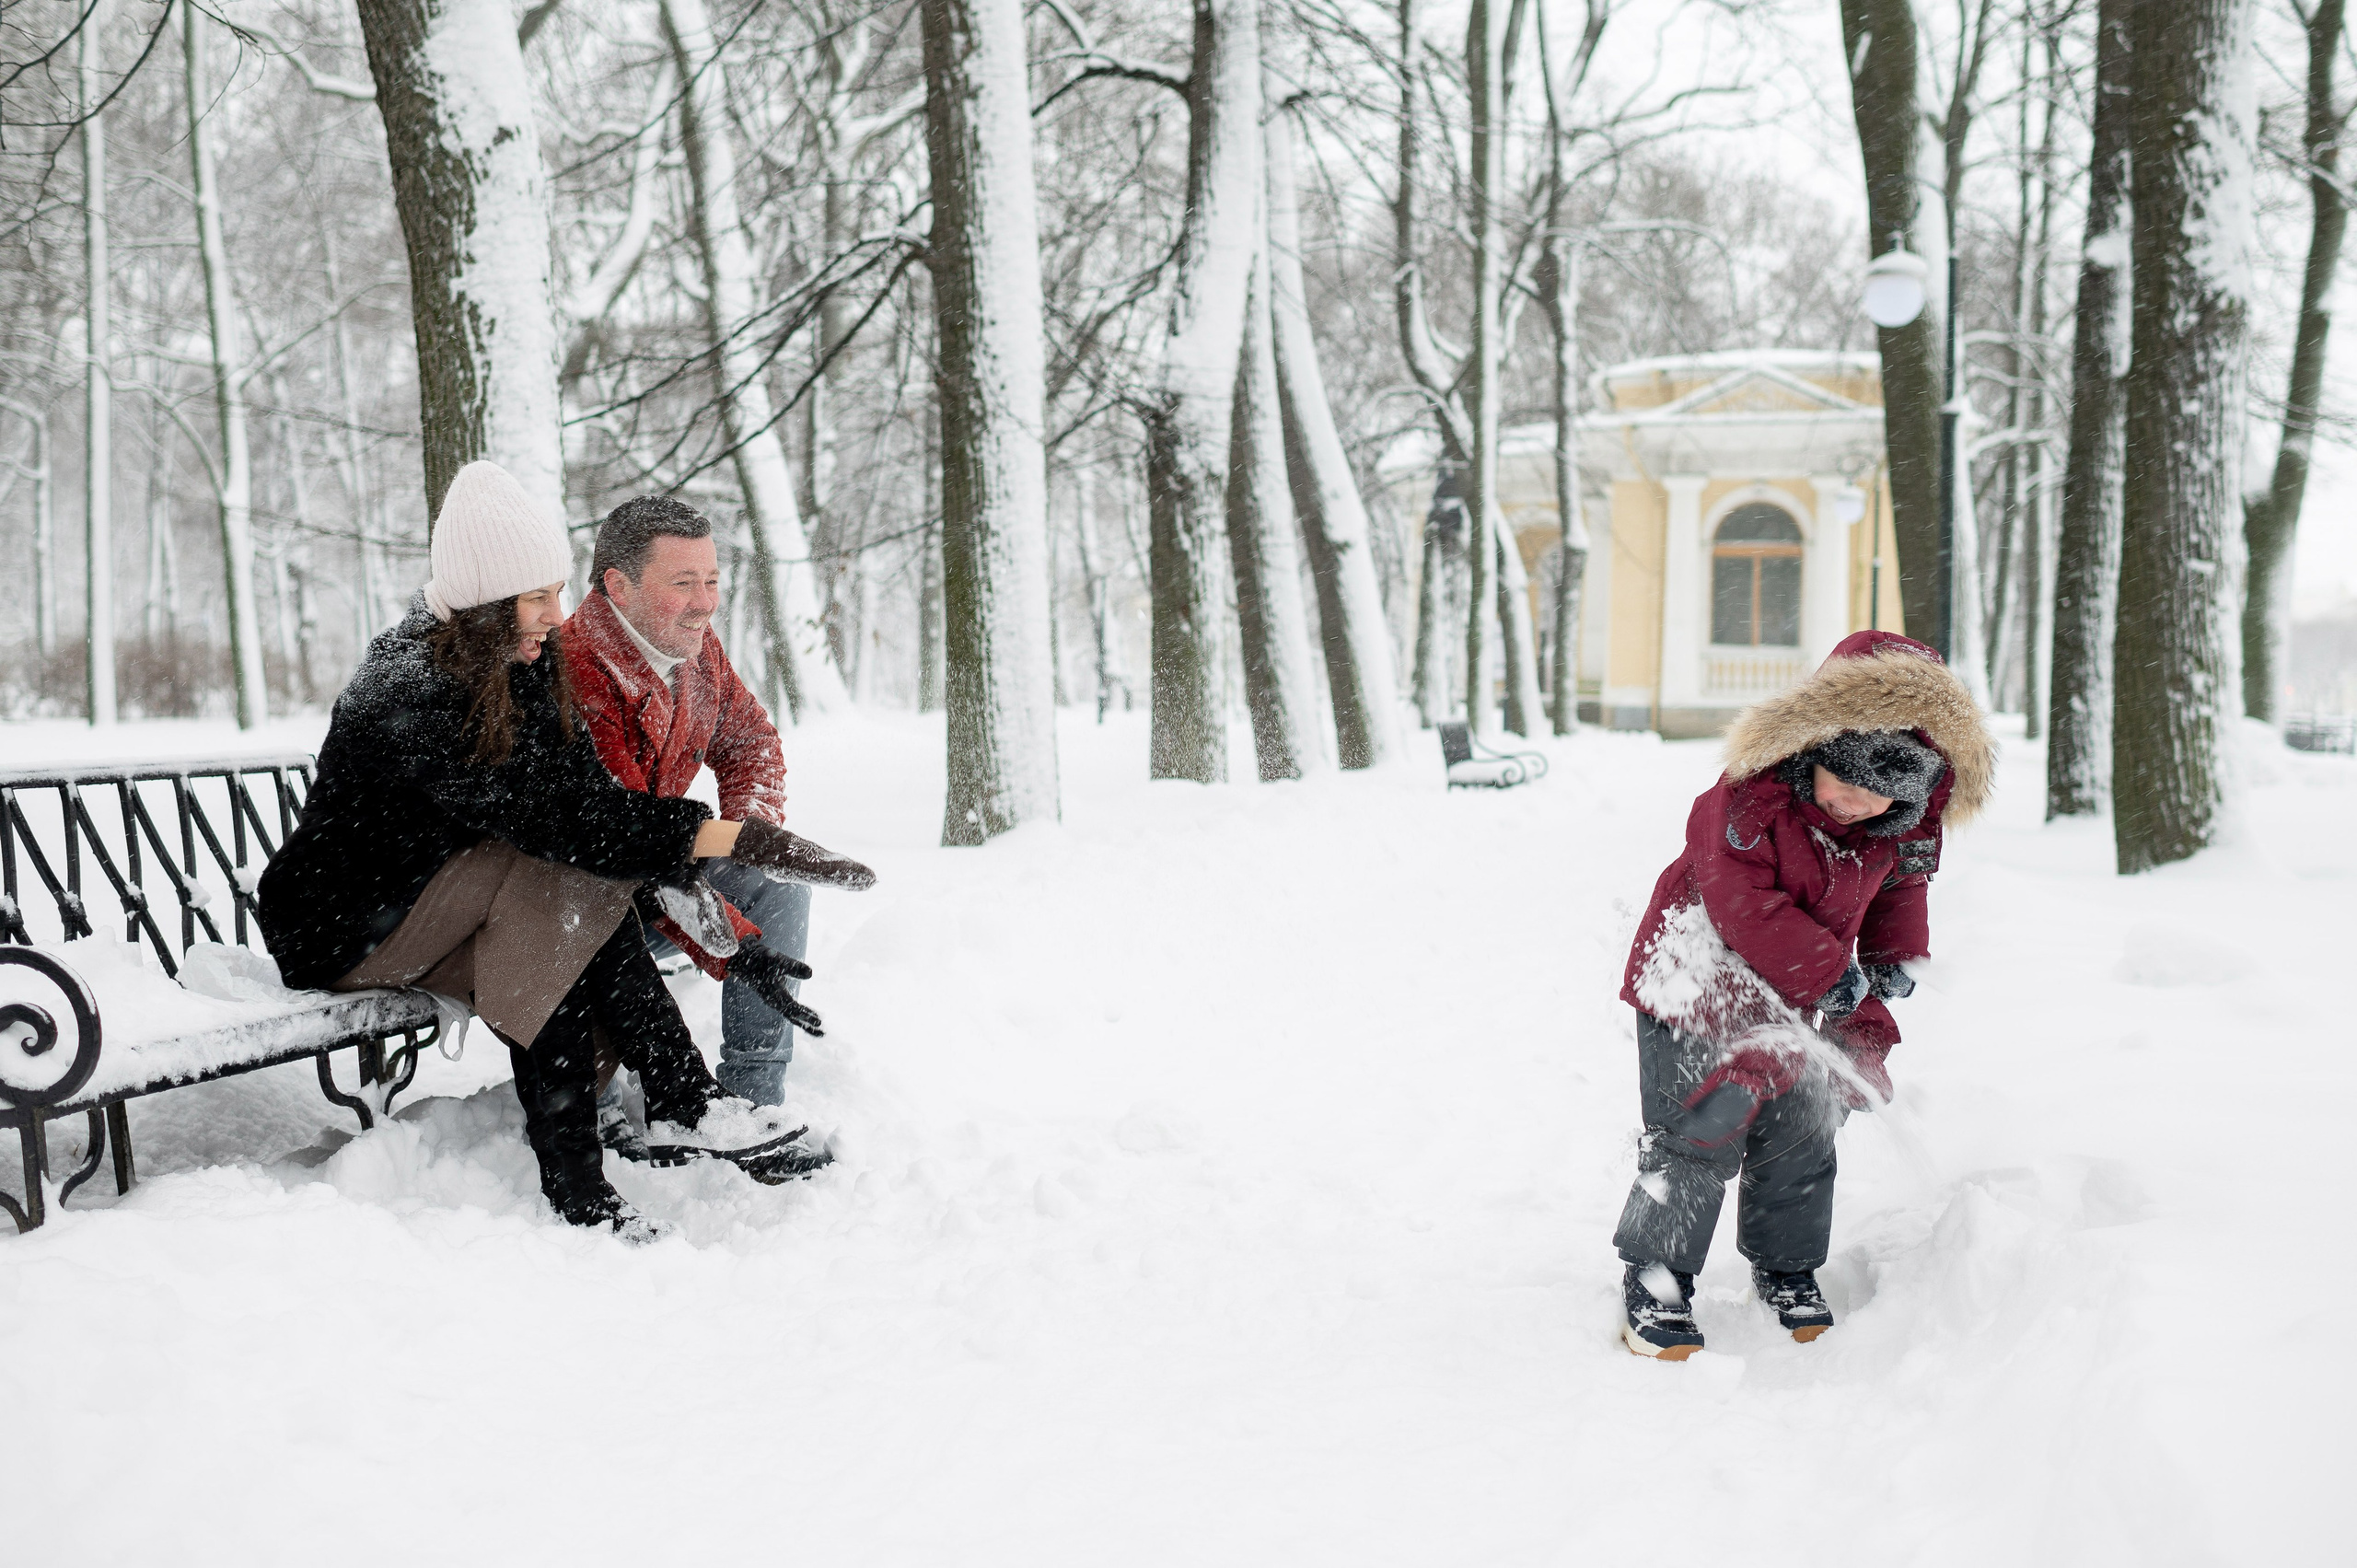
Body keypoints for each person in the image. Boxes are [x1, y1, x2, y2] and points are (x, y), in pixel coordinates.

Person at [257, 461, 845, 1241]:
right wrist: (721, 841)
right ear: (484, 599)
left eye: (556, 591)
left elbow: (589, 802)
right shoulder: (411, 687)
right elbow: (561, 824)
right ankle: (636, 1136)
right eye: (538, 597)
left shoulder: (519, 664)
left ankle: (623, 1149)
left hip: (443, 904)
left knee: (561, 929)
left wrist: (733, 933)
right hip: (345, 922)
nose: (555, 614)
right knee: (557, 878)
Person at [1611, 630, 1992, 1358]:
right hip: (1700, 981)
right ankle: (1656, 1274)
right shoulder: (1746, 799)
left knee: (1802, 1127)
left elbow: (1900, 888)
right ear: (1811, 748)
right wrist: (1830, 974)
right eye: (1843, 783)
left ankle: (1787, 1266)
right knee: (1703, 1126)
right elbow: (1739, 901)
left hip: (1797, 990)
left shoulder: (1893, 824)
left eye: (1879, 793)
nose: (1856, 804)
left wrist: (1892, 958)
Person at [561, 495, 874, 1144]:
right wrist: (736, 936)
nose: (706, 602)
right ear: (618, 586)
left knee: (773, 883)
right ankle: (599, 1108)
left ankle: (752, 1103)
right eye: (684, 583)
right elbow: (623, 847)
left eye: (712, 581)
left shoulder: (698, 655)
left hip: (656, 879)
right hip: (577, 905)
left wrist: (752, 838)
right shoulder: (574, 672)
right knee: (603, 912)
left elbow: (751, 742)